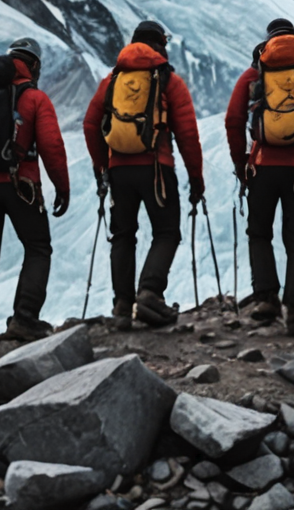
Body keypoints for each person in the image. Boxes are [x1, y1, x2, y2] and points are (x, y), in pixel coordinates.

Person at [84, 20, 204, 329]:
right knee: (166, 232)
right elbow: (188, 134)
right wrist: (196, 178)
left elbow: (90, 124)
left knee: (123, 235)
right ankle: (150, 292)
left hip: (119, 170)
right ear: (161, 45)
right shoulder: (169, 81)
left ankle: (123, 305)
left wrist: (103, 168)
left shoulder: (112, 80)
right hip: (156, 169)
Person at [224, 18, 294, 334]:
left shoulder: (254, 74)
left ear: (268, 43)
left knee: (259, 233)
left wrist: (241, 163)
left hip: (261, 167)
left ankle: (266, 300)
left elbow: (233, 120)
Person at [0, 37, 70, 348]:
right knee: (37, 247)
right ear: (33, 65)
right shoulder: (34, 98)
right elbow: (52, 146)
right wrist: (62, 188)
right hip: (21, 185)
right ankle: (24, 318)